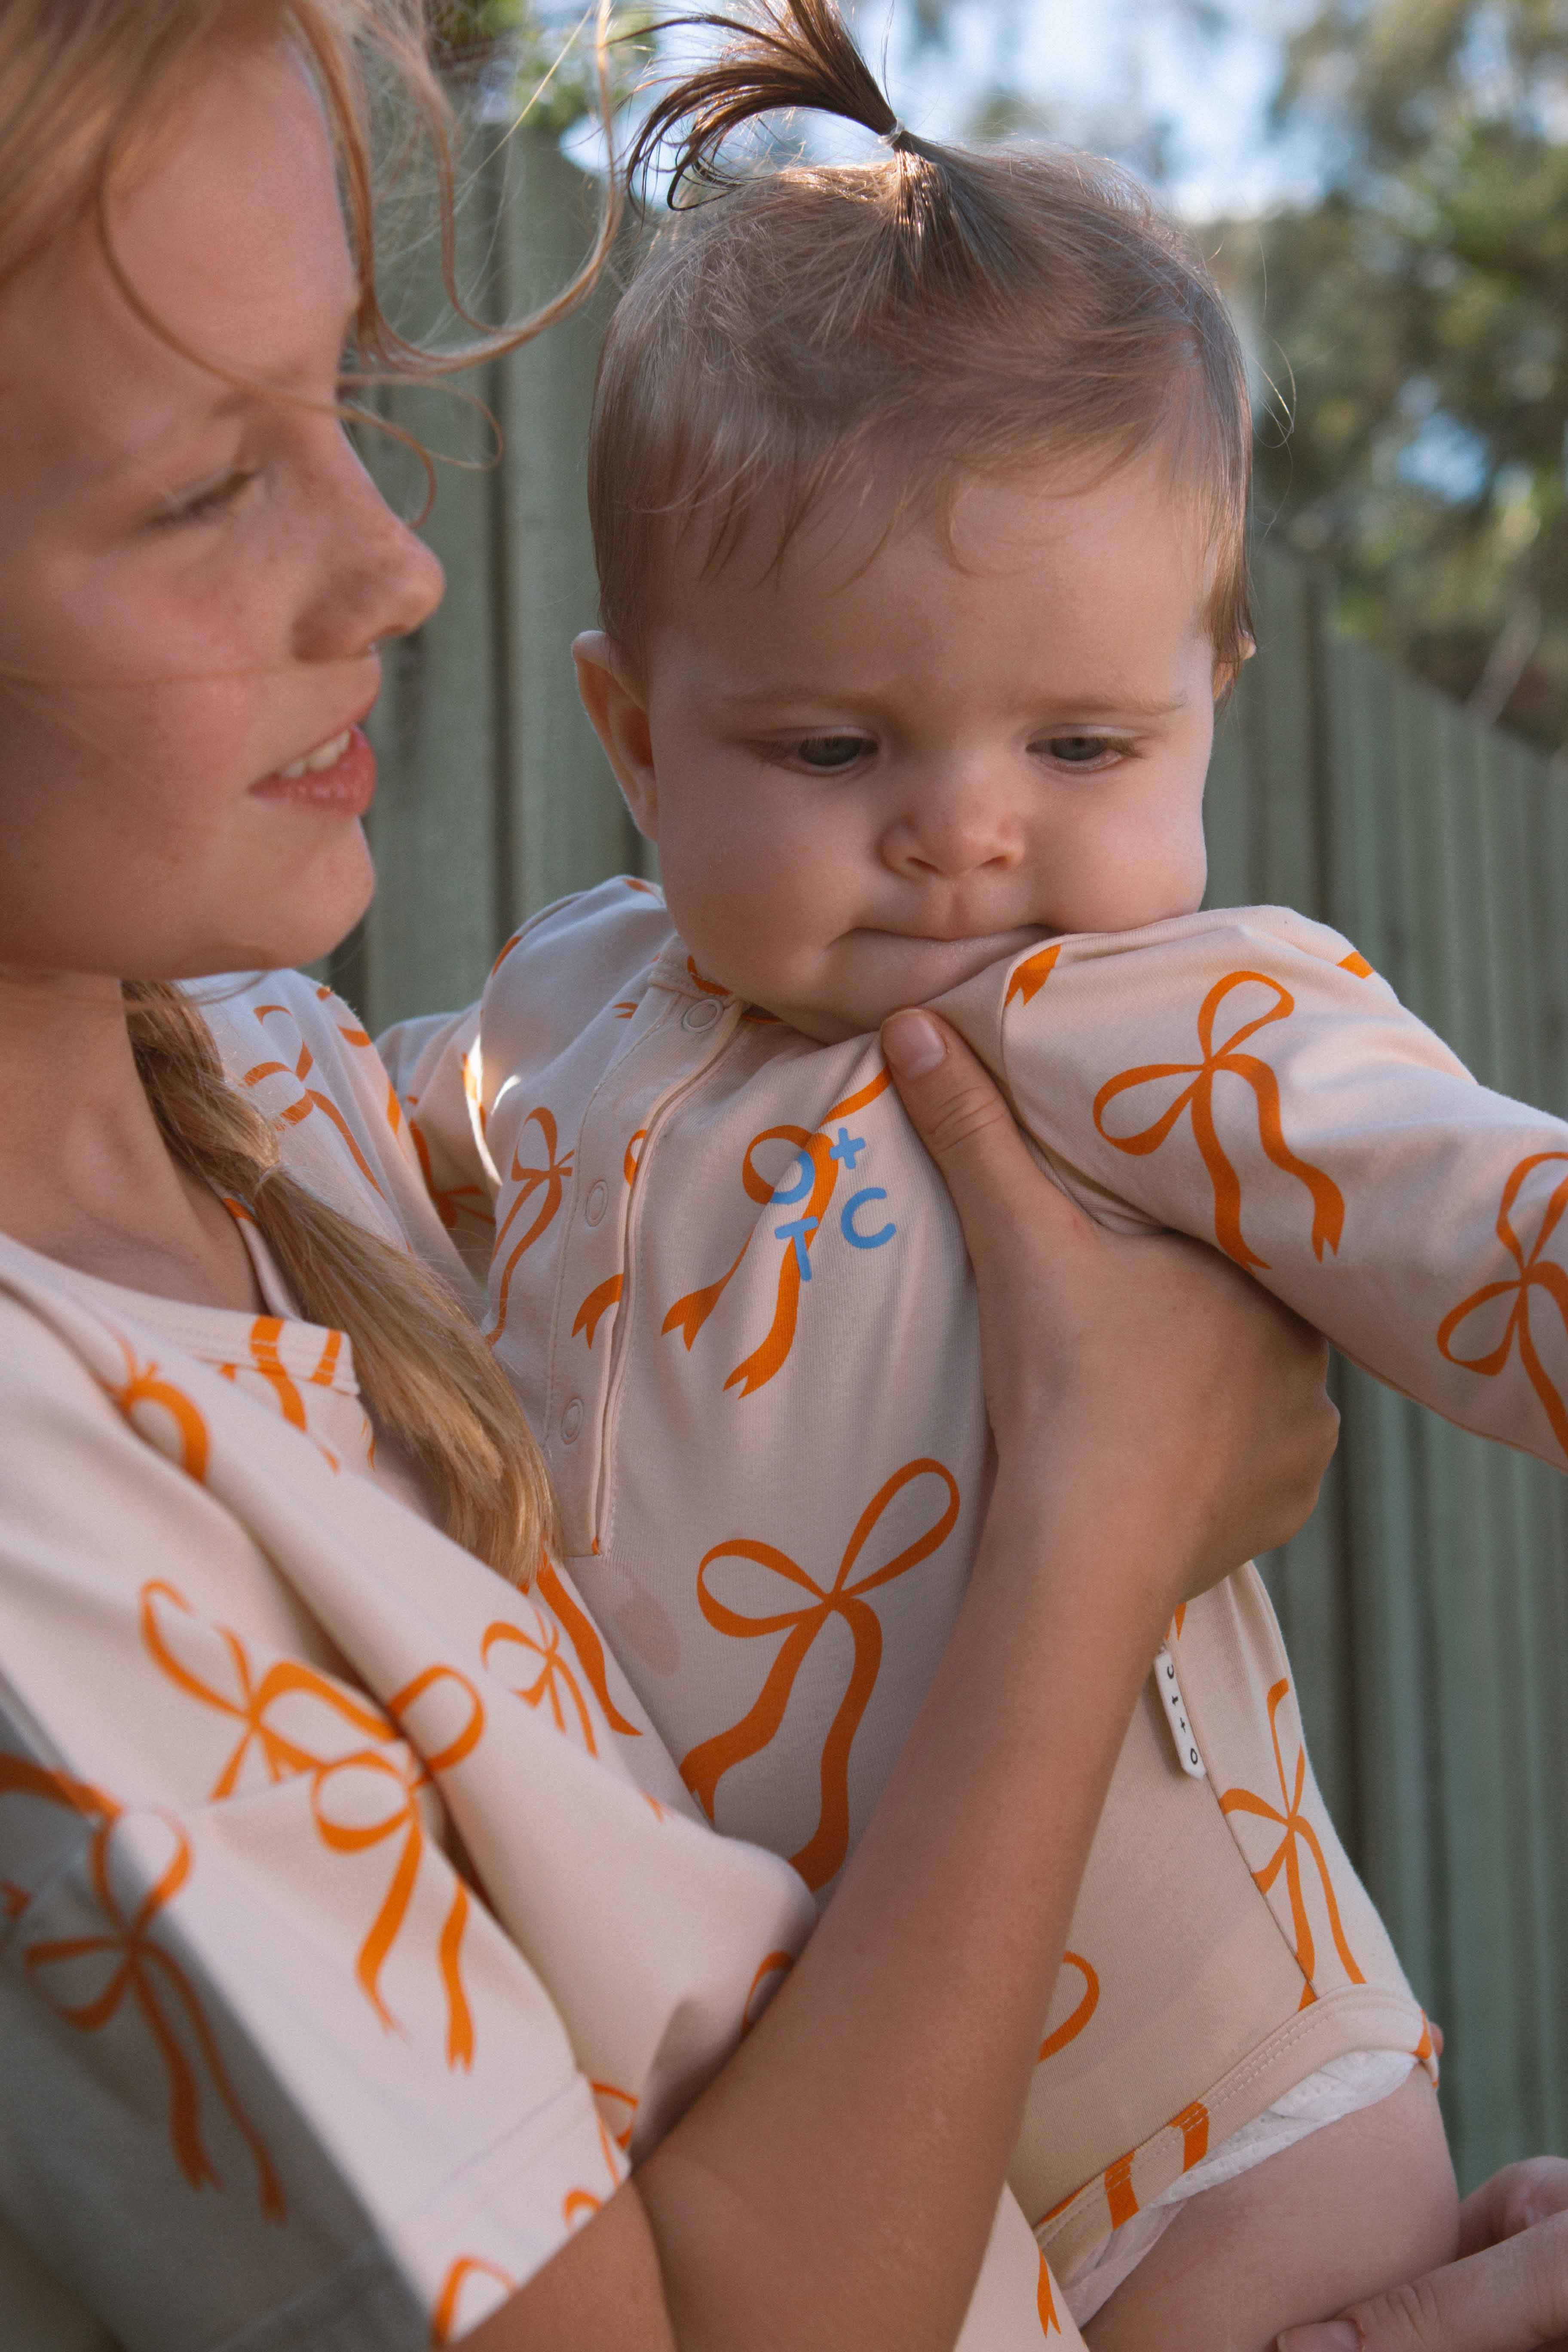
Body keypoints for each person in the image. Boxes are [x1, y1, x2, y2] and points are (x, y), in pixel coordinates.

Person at [0, 3, 1344, 2347]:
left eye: (344, 401)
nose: (396, 565)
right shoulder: (41, 1540)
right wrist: (1096, 1531)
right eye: (204, 490)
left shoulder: (280, 1089)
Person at [379, 3, 1568, 2345]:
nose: (968, 826)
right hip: (798, 2104)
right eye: (834, 743)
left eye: (1083, 739)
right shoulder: (560, 1012)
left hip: (1233, 2120)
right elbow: (312, 1137)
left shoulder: (1160, 1015)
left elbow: (1469, 1205)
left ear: (1210, 691)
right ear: (634, 731)